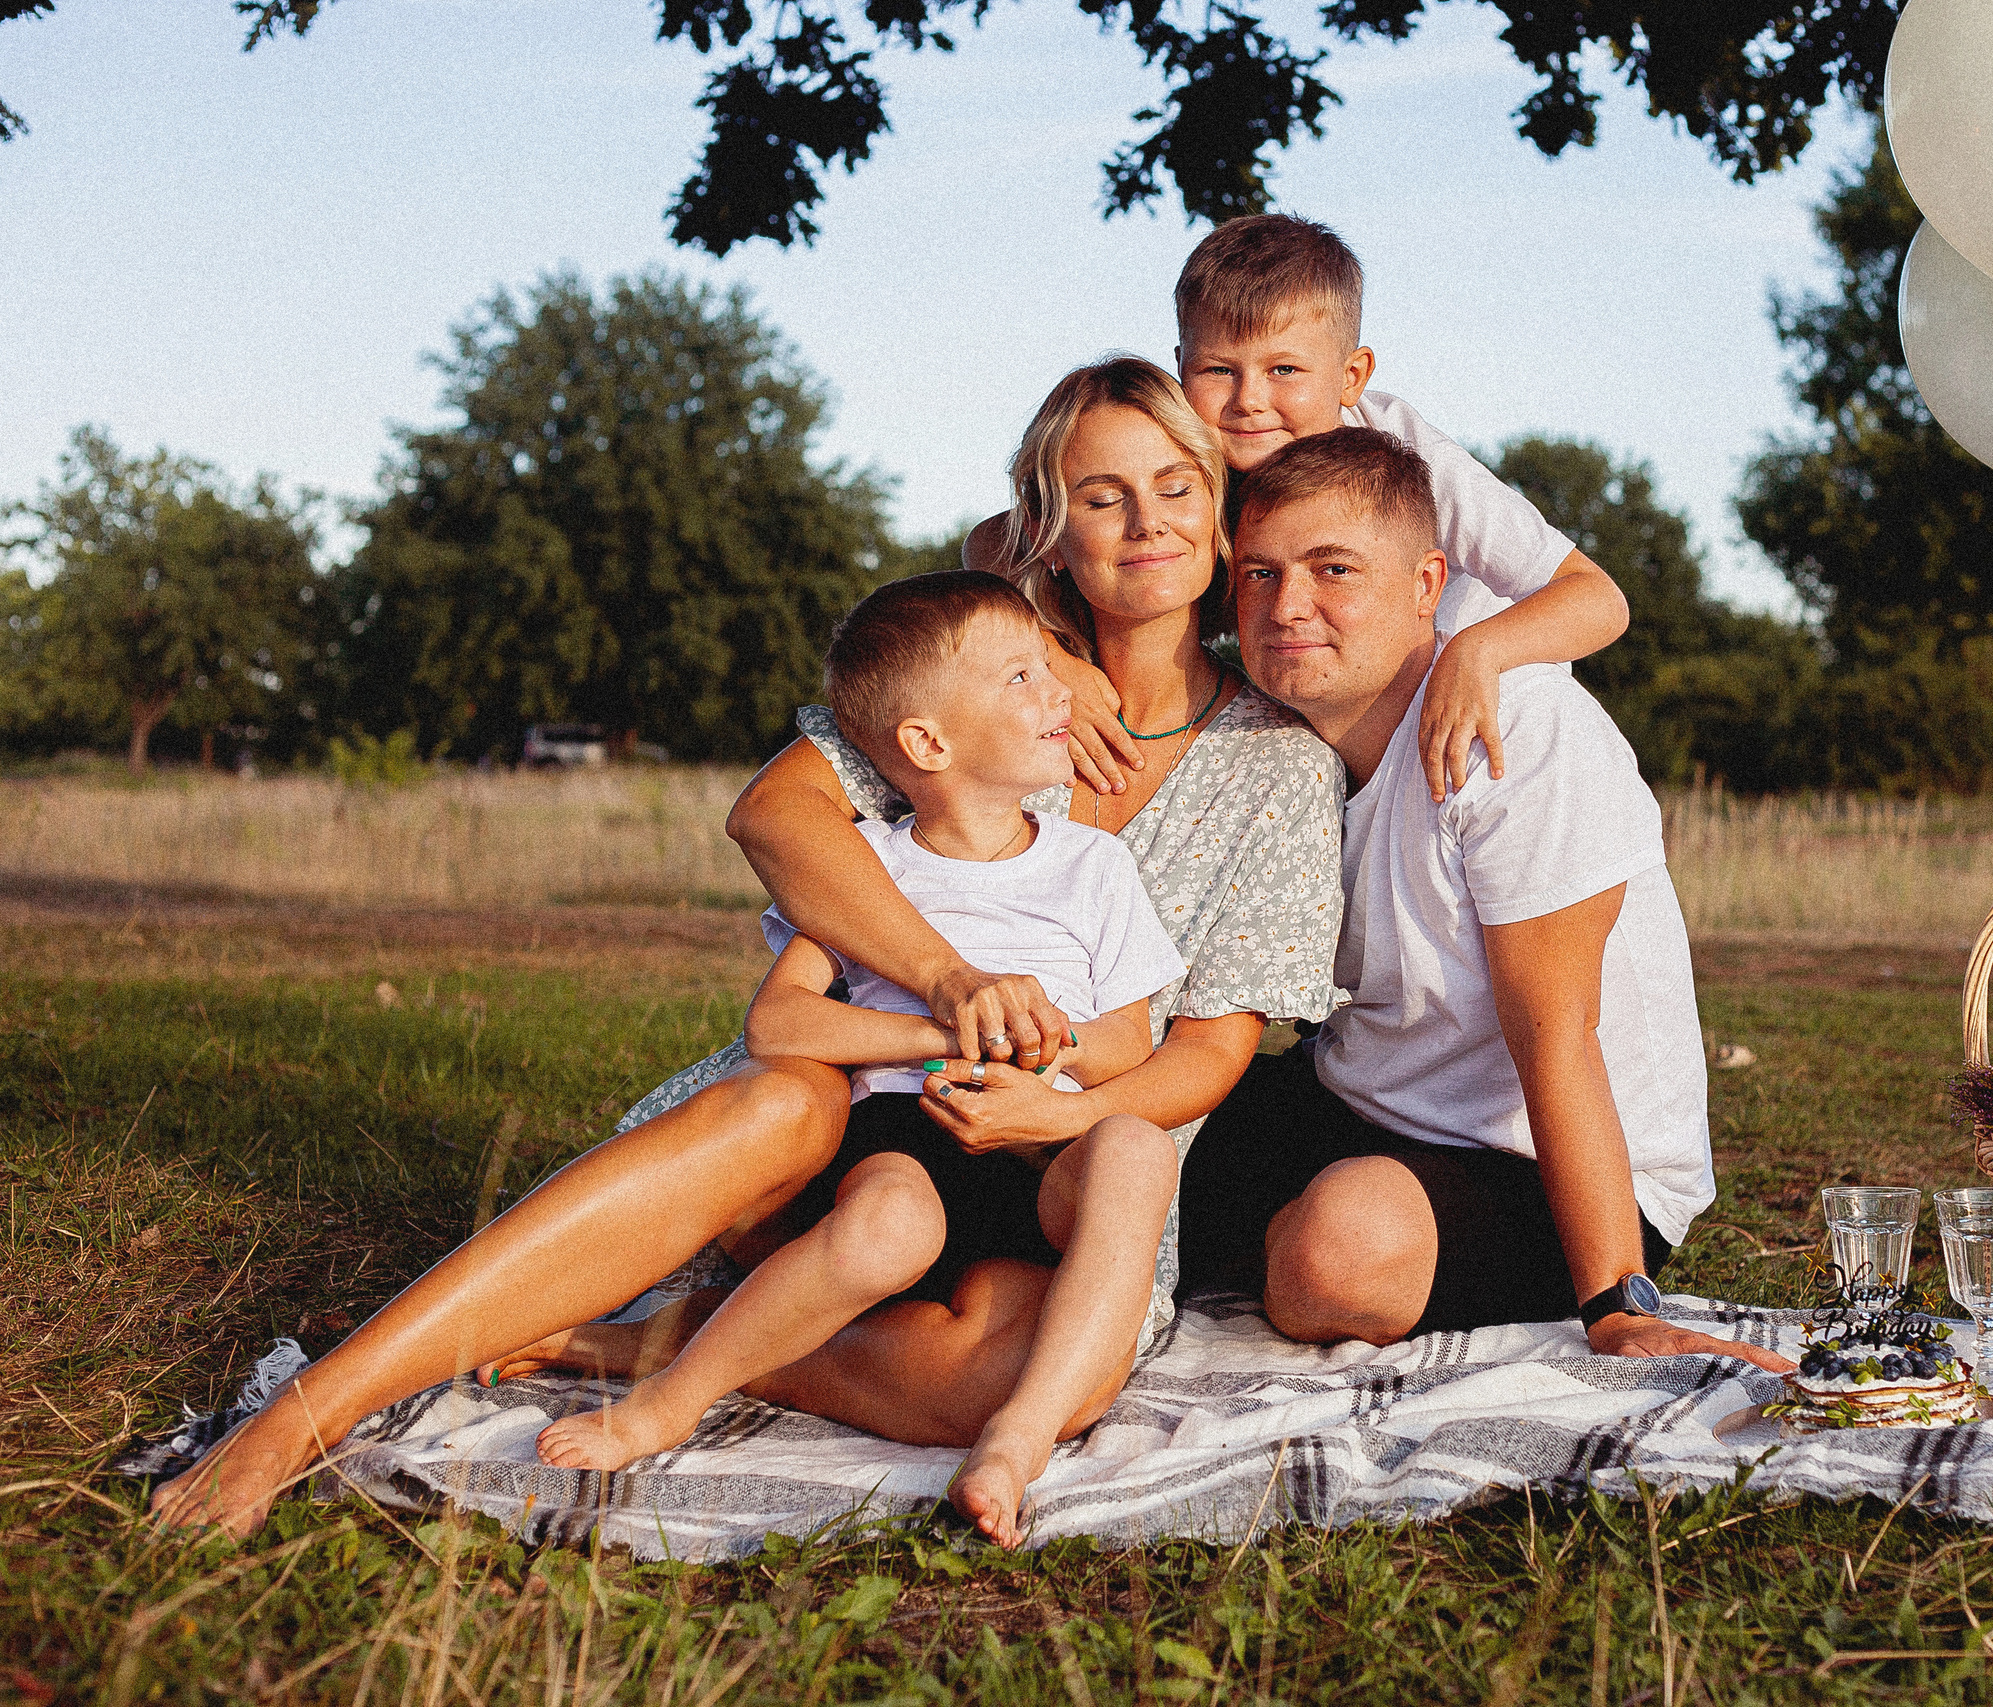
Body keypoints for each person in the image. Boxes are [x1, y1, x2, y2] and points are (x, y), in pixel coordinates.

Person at [149, 359, 1345, 1542]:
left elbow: (1209, 1046)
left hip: (1070, 1157)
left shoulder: (1272, 764)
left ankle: (684, 1349)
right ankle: (311, 1410)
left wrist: (1065, 1114)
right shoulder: (962, 664)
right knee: (781, 1106)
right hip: (857, 1101)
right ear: (1045, 526)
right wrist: (947, 982)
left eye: (1176, 486)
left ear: (1220, 504)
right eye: (1100, 496)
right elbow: (774, 815)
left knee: (1010, 1382)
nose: (1145, 523)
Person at [530, 573, 1187, 1545]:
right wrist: (947, 1029)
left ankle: (1018, 1435)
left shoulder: (1096, 867)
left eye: (1049, 669)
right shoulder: (868, 862)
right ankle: (673, 1398)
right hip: (907, 1120)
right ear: (927, 743)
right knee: (887, 1228)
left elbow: (1128, 1043)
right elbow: (782, 1027)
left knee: (1135, 1150)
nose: (1061, 695)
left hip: (1043, 1137)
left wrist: (1045, 1064)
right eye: (1022, 678)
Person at [1179, 428, 1792, 1374]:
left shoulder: (1516, 726)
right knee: (1094, 1158)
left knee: (1331, 1257)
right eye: (1258, 574)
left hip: (1546, 1168)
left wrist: (1616, 1304)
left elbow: (1557, 1031)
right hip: (1359, 1103)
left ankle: (1246, 1243)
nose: (1288, 605)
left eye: (1332, 569)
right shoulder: (1276, 746)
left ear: (1428, 582)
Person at [979, 213, 1632, 813]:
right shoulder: (1194, 460)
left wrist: (1479, 650)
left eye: (1284, 369)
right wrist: (1058, 658)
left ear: (1351, 376)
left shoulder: (1408, 460)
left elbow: (1596, 597)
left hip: (1471, 726)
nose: (1249, 401)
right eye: (1218, 370)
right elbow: (997, 542)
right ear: (1180, 369)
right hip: (1337, 736)